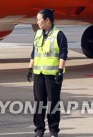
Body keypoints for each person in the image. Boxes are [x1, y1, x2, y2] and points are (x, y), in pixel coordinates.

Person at [27, 9, 68, 137]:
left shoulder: (59, 34)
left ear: (47, 20)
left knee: (53, 102)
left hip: (52, 75)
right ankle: (39, 129)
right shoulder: (38, 34)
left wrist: (60, 71)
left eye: (39, 19)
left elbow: (63, 54)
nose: (37, 22)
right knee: (39, 102)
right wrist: (30, 68)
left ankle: (53, 130)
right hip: (38, 73)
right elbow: (34, 52)